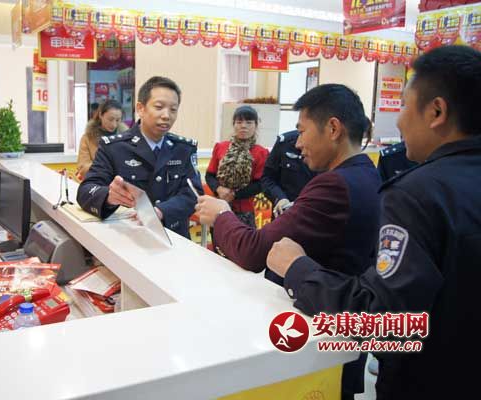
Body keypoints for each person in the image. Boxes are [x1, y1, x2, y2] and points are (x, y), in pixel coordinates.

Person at [265, 45, 481, 399]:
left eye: (404, 107)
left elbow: (385, 321)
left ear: (436, 111)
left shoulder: (418, 194)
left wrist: (298, 270)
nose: (398, 122)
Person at [196, 84, 379, 398]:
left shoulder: (335, 184)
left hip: (316, 335)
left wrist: (222, 214)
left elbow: (254, 251)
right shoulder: (368, 173)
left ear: (333, 128)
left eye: (303, 131)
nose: (298, 142)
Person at [77, 76, 203, 239]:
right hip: (128, 237)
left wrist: (161, 211)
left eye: (173, 109)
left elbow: (193, 194)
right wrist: (108, 196)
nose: (166, 115)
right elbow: (85, 191)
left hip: (175, 237)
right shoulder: (114, 148)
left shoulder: (183, 149)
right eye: (159, 107)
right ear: (140, 108)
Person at [205, 105, 269, 227]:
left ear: (256, 125)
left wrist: (234, 194)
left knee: (245, 239)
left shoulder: (261, 153)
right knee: (218, 239)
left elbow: (260, 184)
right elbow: (210, 175)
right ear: (234, 124)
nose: (243, 126)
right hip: (219, 207)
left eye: (249, 122)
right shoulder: (220, 147)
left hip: (244, 210)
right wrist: (218, 189)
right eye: (239, 122)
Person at [261, 130, 316, 217]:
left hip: (316, 214)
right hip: (285, 213)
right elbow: (267, 178)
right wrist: (280, 198)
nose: (298, 145)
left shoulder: (331, 146)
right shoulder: (285, 142)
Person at [76, 99, 128, 179]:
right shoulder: (88, 138)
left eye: (118, 120)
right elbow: (82, 168)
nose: (114, 124)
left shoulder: (127, 137)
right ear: (100, 115)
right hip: (97, 183)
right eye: (110, 119)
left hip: (122, 183)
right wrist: (106, 165)